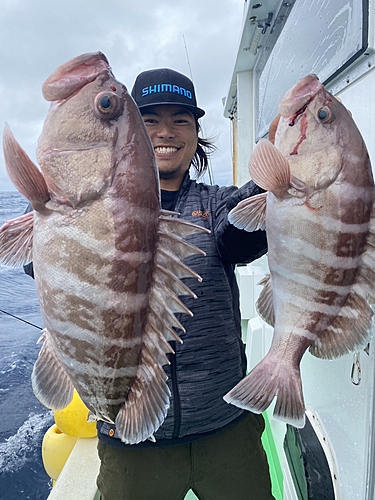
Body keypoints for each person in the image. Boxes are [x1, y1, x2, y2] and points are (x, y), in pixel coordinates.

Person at [95, 68, 274, 500]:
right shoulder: (96, 210)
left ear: (196, 133)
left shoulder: (215, 206)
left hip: (227, 428)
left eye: (181, 120)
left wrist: (280, 160)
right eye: (150, 119)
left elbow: (241, 233)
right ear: (130, 131)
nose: (166, 132)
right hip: (132, 438)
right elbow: (45, 267)